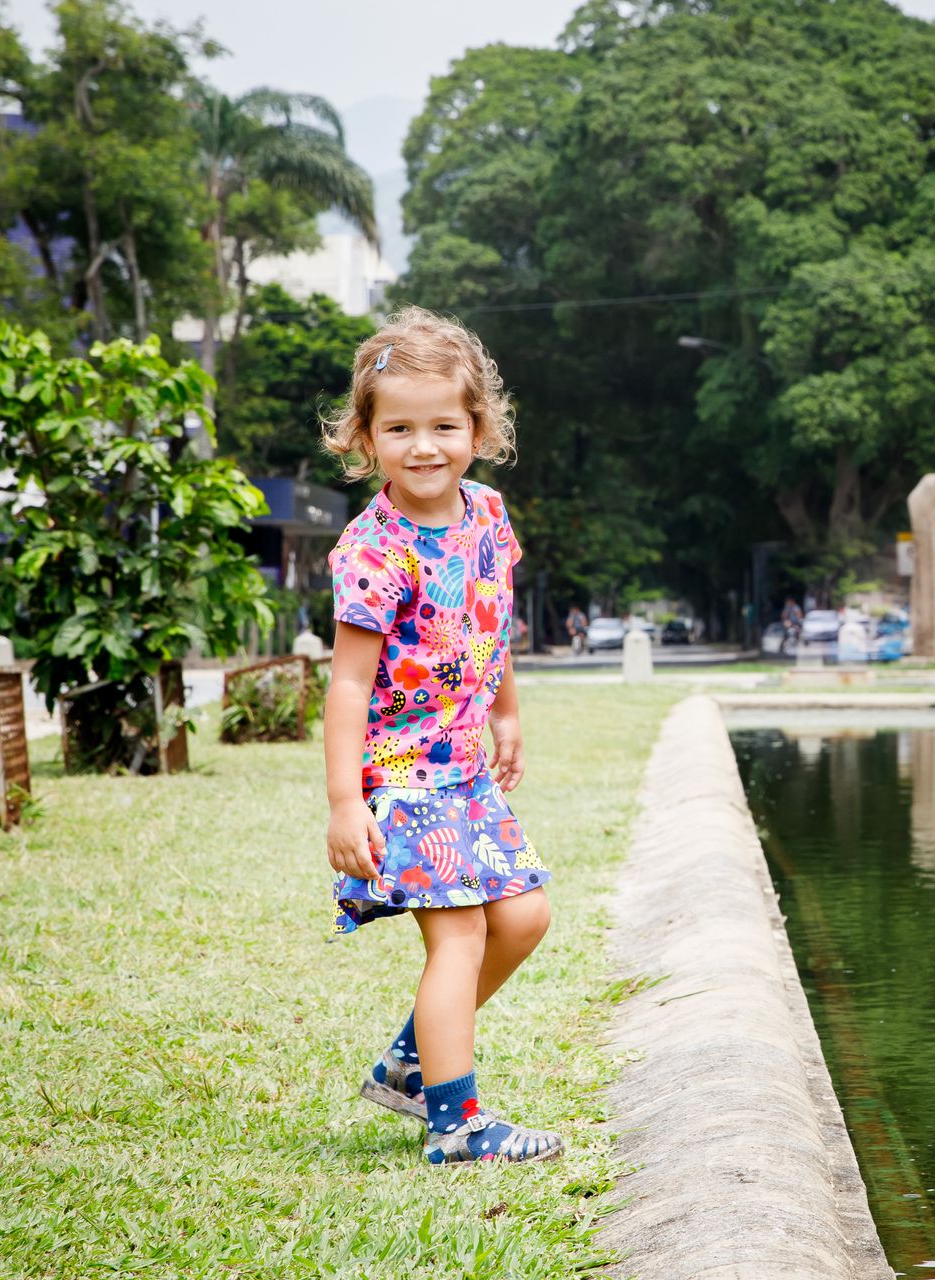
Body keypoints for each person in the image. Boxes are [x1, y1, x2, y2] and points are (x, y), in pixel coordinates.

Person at [319, 307, 564, 1165]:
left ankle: (413, 1061)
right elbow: (348, 683)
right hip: (400, 772)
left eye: (443, 426)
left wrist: (506, 709)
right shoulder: (371, 553)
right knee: (458, 931)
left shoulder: (488, 515)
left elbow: (490, 624)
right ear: (364, 436)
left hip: (464, 766)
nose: (423, 446)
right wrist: (346, 802)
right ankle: (456, 1125)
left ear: (478, 428)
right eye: (398, 428)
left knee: (524, 917)